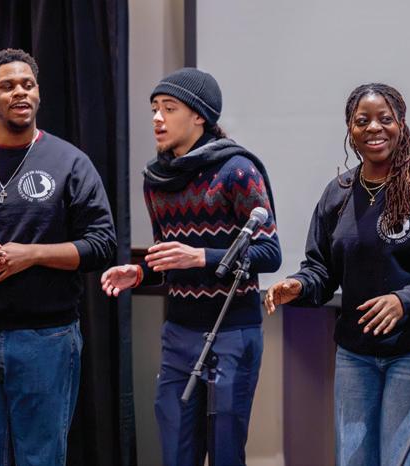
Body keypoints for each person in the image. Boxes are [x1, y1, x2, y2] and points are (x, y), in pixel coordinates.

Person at [264, 83, 410, 466]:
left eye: (384, 119)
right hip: (356, 355)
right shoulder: (338, 194)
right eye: (363, 121)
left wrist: (404, 301)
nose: (374, 128)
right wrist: (299, 285)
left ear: (401, 124)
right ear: (350, 129)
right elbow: (321, 268)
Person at [0, 48, 116, 465]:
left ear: (38, 93)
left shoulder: (70, 162)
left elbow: (102, 244)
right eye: (8, 86)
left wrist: (32, 254)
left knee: (41, 459)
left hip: (45, 339)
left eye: (28, 84)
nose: (20, 92)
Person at [101, 68, 281, 466]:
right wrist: (142, 273)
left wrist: (202, 256)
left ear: (199, 115)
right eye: (154, 108)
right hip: (179, 334)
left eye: (169, 108)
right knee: (177, 453)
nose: (157, 118)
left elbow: (270, 253)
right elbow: (170, 256)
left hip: (232, 332)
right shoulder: (156, 179)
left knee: (225, 454)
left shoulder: (237, 170)